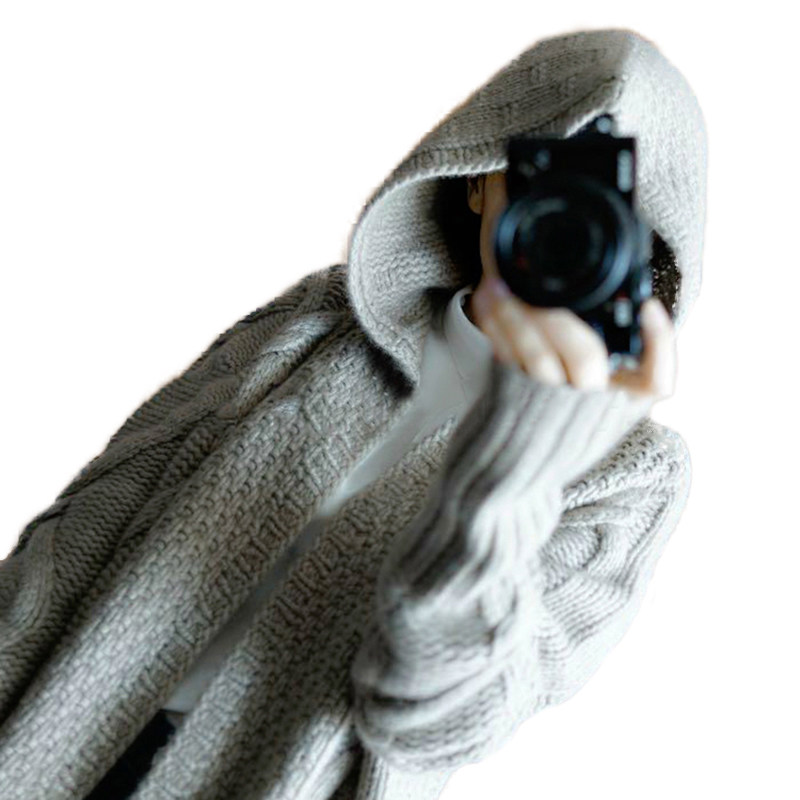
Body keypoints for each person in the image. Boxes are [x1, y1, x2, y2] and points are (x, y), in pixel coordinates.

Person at [0, 27, 706, 800]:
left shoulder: (631, 474)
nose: (563, 228)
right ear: (479, 179)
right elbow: (105, 511)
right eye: (549, 181)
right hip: (58, 742)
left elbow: (439, 721)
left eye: (604, 210)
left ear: (644, 252)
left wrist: (522, 462)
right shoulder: (322, 320)